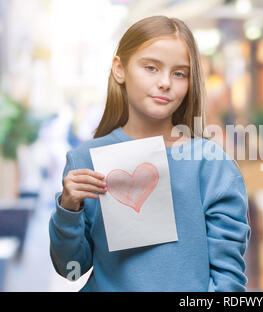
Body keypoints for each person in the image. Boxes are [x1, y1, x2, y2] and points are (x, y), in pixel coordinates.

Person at [48, 16, 251, 292]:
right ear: (120, 69)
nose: (165, 82)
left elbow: (228, 279)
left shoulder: (211, 165)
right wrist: (68, 208)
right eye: (151, 68)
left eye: (179, 73)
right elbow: (71, 270)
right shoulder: (85, 160)